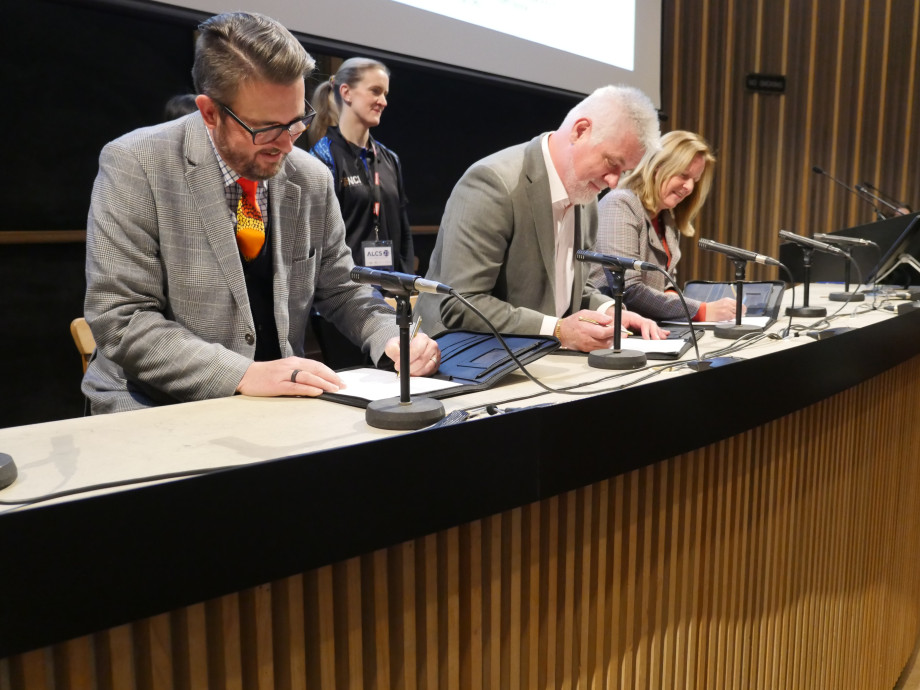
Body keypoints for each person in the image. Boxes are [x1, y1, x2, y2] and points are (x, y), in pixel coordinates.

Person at [82, 11, 439, 415]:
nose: (287, 146)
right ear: (210, 112)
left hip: (277, 407)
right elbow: (123, 319)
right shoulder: (136, 164)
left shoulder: (311, 178)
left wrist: (389, 335)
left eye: (296, 122)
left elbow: (342, 288)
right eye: (266, 128)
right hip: (156, 405)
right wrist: (243, 374)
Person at [415, 85, 668, 353]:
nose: (614, 183)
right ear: (580, 131)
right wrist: (558, 330)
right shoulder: (494, 184)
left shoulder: (587, 197)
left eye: (624, 171)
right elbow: (461, 304)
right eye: (611, 163)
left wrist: (609, 311)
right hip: (453, 359)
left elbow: (571, 292)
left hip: (535, 355)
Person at [589, 130, 737, 322]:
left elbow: (665, 284)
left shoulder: (667, 218)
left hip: (650, 329)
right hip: (610, 333)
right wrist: (702, 310)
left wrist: (673, 295)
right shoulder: (620, 204)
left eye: (695, 180)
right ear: (657, 166)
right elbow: (628, 290)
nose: (690, 187)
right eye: (683, 175)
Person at [309, 58, 414, 274]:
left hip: (390, 294)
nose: (383, 101)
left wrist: (405, 285)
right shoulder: (322, 157)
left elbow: (404, 233)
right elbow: (316, 240)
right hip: (345, 297)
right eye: (375, 91)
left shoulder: (390, 159)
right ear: (346, 92)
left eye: (385, 94)